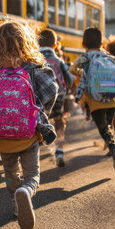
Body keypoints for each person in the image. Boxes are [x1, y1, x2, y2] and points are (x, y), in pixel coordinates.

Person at [0, 19, 58, 229]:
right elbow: (52, 91)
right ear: (26, 42)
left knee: (10, 174)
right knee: (32, 174)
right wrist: (39, 110)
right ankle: (26, 191)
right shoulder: (35, 68)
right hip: (28, 133)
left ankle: (16, 201)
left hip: (1, 136)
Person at [70, 27, 115, 171]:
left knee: (103, 128)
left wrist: (83, 72)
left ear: (83, 44)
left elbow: (72, 69)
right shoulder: (110, 57)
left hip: (95, 99)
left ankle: (114, 149)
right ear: (101, 44)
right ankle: (111, 148)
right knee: (108, 126)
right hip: (112, 98)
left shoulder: (85, 57)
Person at [38, 29, 74, 167]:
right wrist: (65, 90)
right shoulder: (59, 60)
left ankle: (33, 157)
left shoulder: (34, 59)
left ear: (38, 43)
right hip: (57, 97)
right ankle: (59, 151)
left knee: (37, 123)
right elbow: (69, 79)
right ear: (54, 45)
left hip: (39, 100)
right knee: (59, 121)